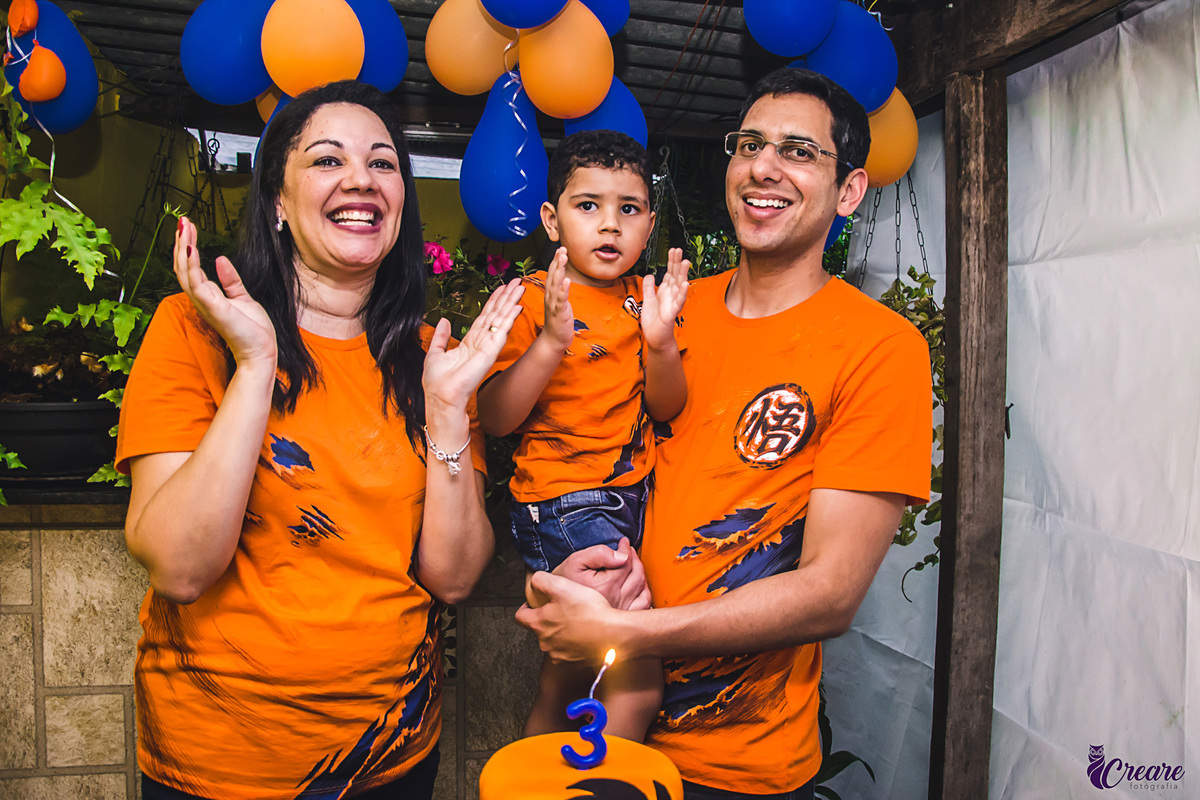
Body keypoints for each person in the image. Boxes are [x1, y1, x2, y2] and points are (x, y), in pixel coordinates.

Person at [515, 67, 933, 799]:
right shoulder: (658, 309)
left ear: (850, 191)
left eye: (798, 151)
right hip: (586, 710)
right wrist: (561, 569)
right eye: (749, 144)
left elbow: (830, 594)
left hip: (737, 767)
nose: (764, 166)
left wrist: (624, 634)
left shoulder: (880, 348)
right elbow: (564, 450)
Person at [116, 81, 525, 800]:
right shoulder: (194, 331)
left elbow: (455, 579)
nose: (361, 179)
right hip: (219, 761)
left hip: (391, 755)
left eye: (383, 162)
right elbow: (180, 569)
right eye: (327, 160)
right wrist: (256, 365)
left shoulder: (433, 360)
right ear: (277, 200)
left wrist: (447, 411)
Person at [477, 130, 688, 741]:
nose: (610, 224)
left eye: (629, 208)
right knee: (637, 680)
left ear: (650, 226)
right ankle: (599, 784)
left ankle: (536, 778)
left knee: (567, 675)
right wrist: (550, 342)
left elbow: (666, 407)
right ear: (552, 220)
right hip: (565, 505)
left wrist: (661, 343)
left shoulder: (644, 302)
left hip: (632, 497)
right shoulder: (530, 301)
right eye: (588, 205)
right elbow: (494, 418)